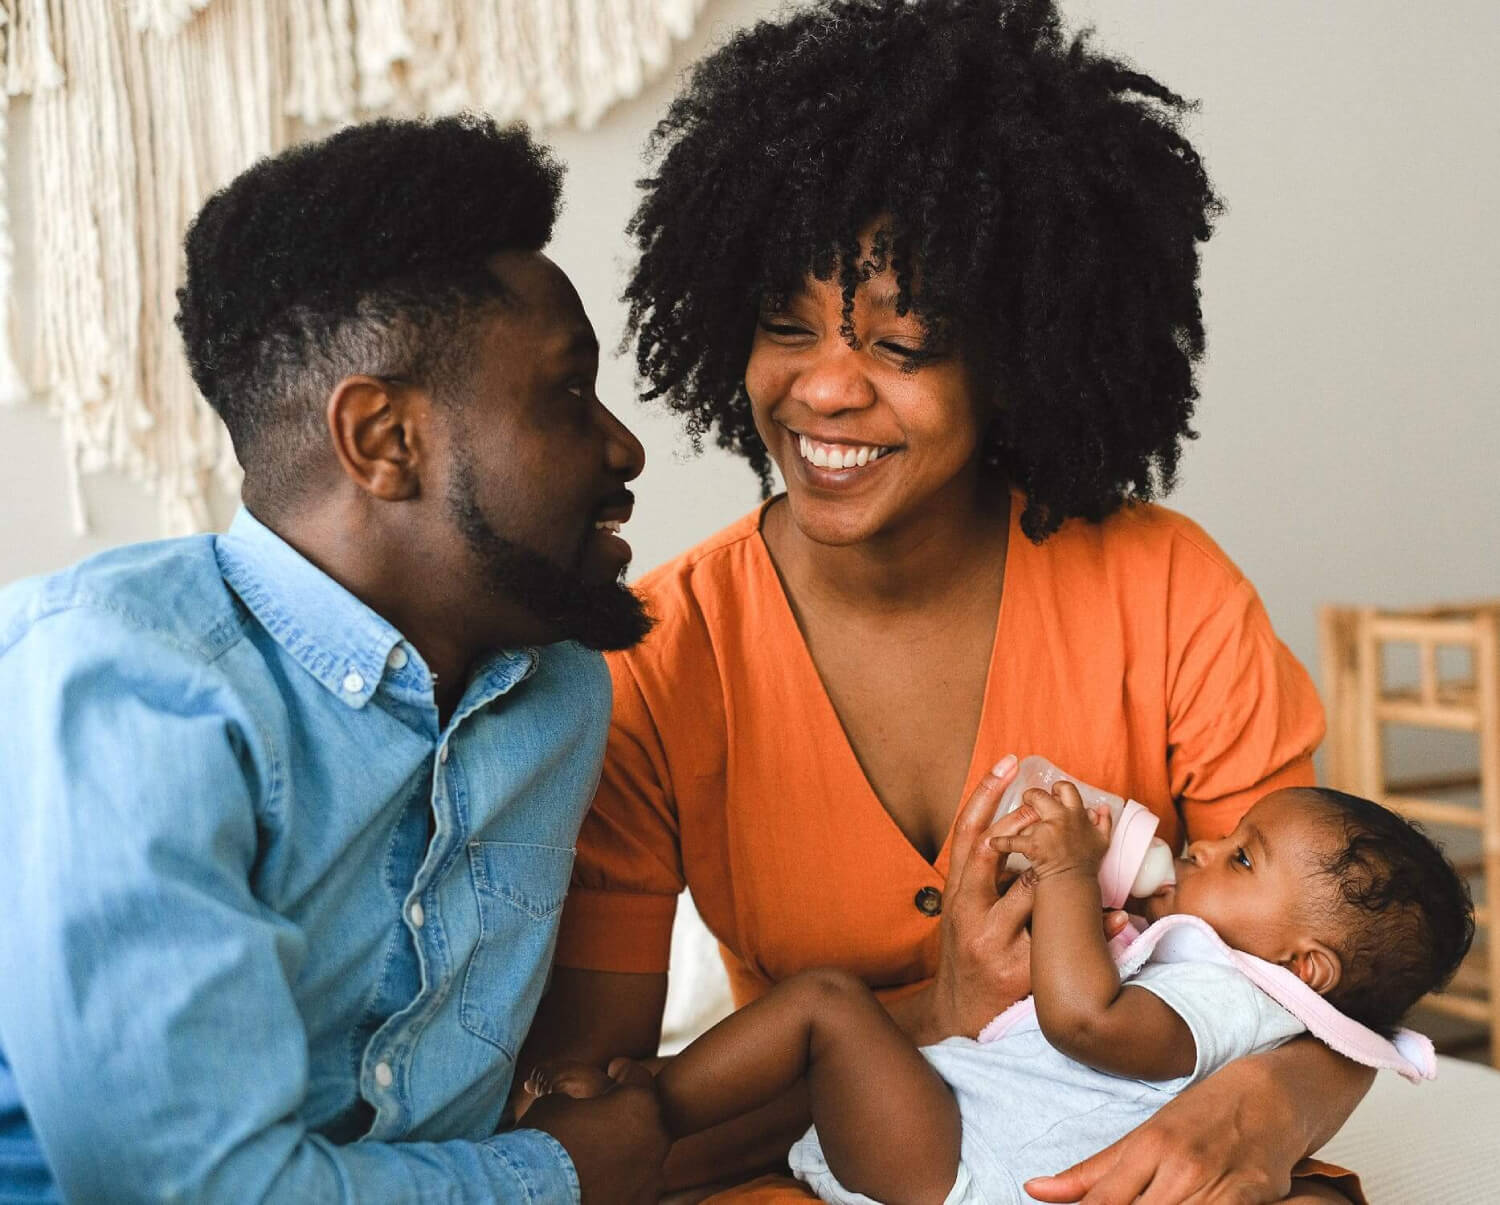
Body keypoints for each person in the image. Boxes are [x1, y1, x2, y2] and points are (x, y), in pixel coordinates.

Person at [519, 0, 1377, 1199]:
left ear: (1019, 350)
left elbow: (1328, 975)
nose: (823, 388)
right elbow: (597, 1130)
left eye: (901, 343)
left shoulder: (1169, 590)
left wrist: (1258, 1108)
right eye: (785, 327)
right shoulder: (659, 661)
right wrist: (943, 1009)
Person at [0, 116, 669, 1202]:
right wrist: (553, 1175)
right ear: (383, 440)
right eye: (566, 392)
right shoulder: (121, 685)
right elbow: (188, 1190)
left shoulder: (556, 692)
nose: (623, 445)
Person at [528, 783, 1474, 1204]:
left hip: (962, 1166)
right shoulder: (1225, 974)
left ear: (1306, 966)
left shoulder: (1238, 996)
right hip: (964, 1144)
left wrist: (1067, 870)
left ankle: (651, 1102)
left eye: (1241, 858)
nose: (1203, 845)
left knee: (824, 1004)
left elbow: (1085, 1019)